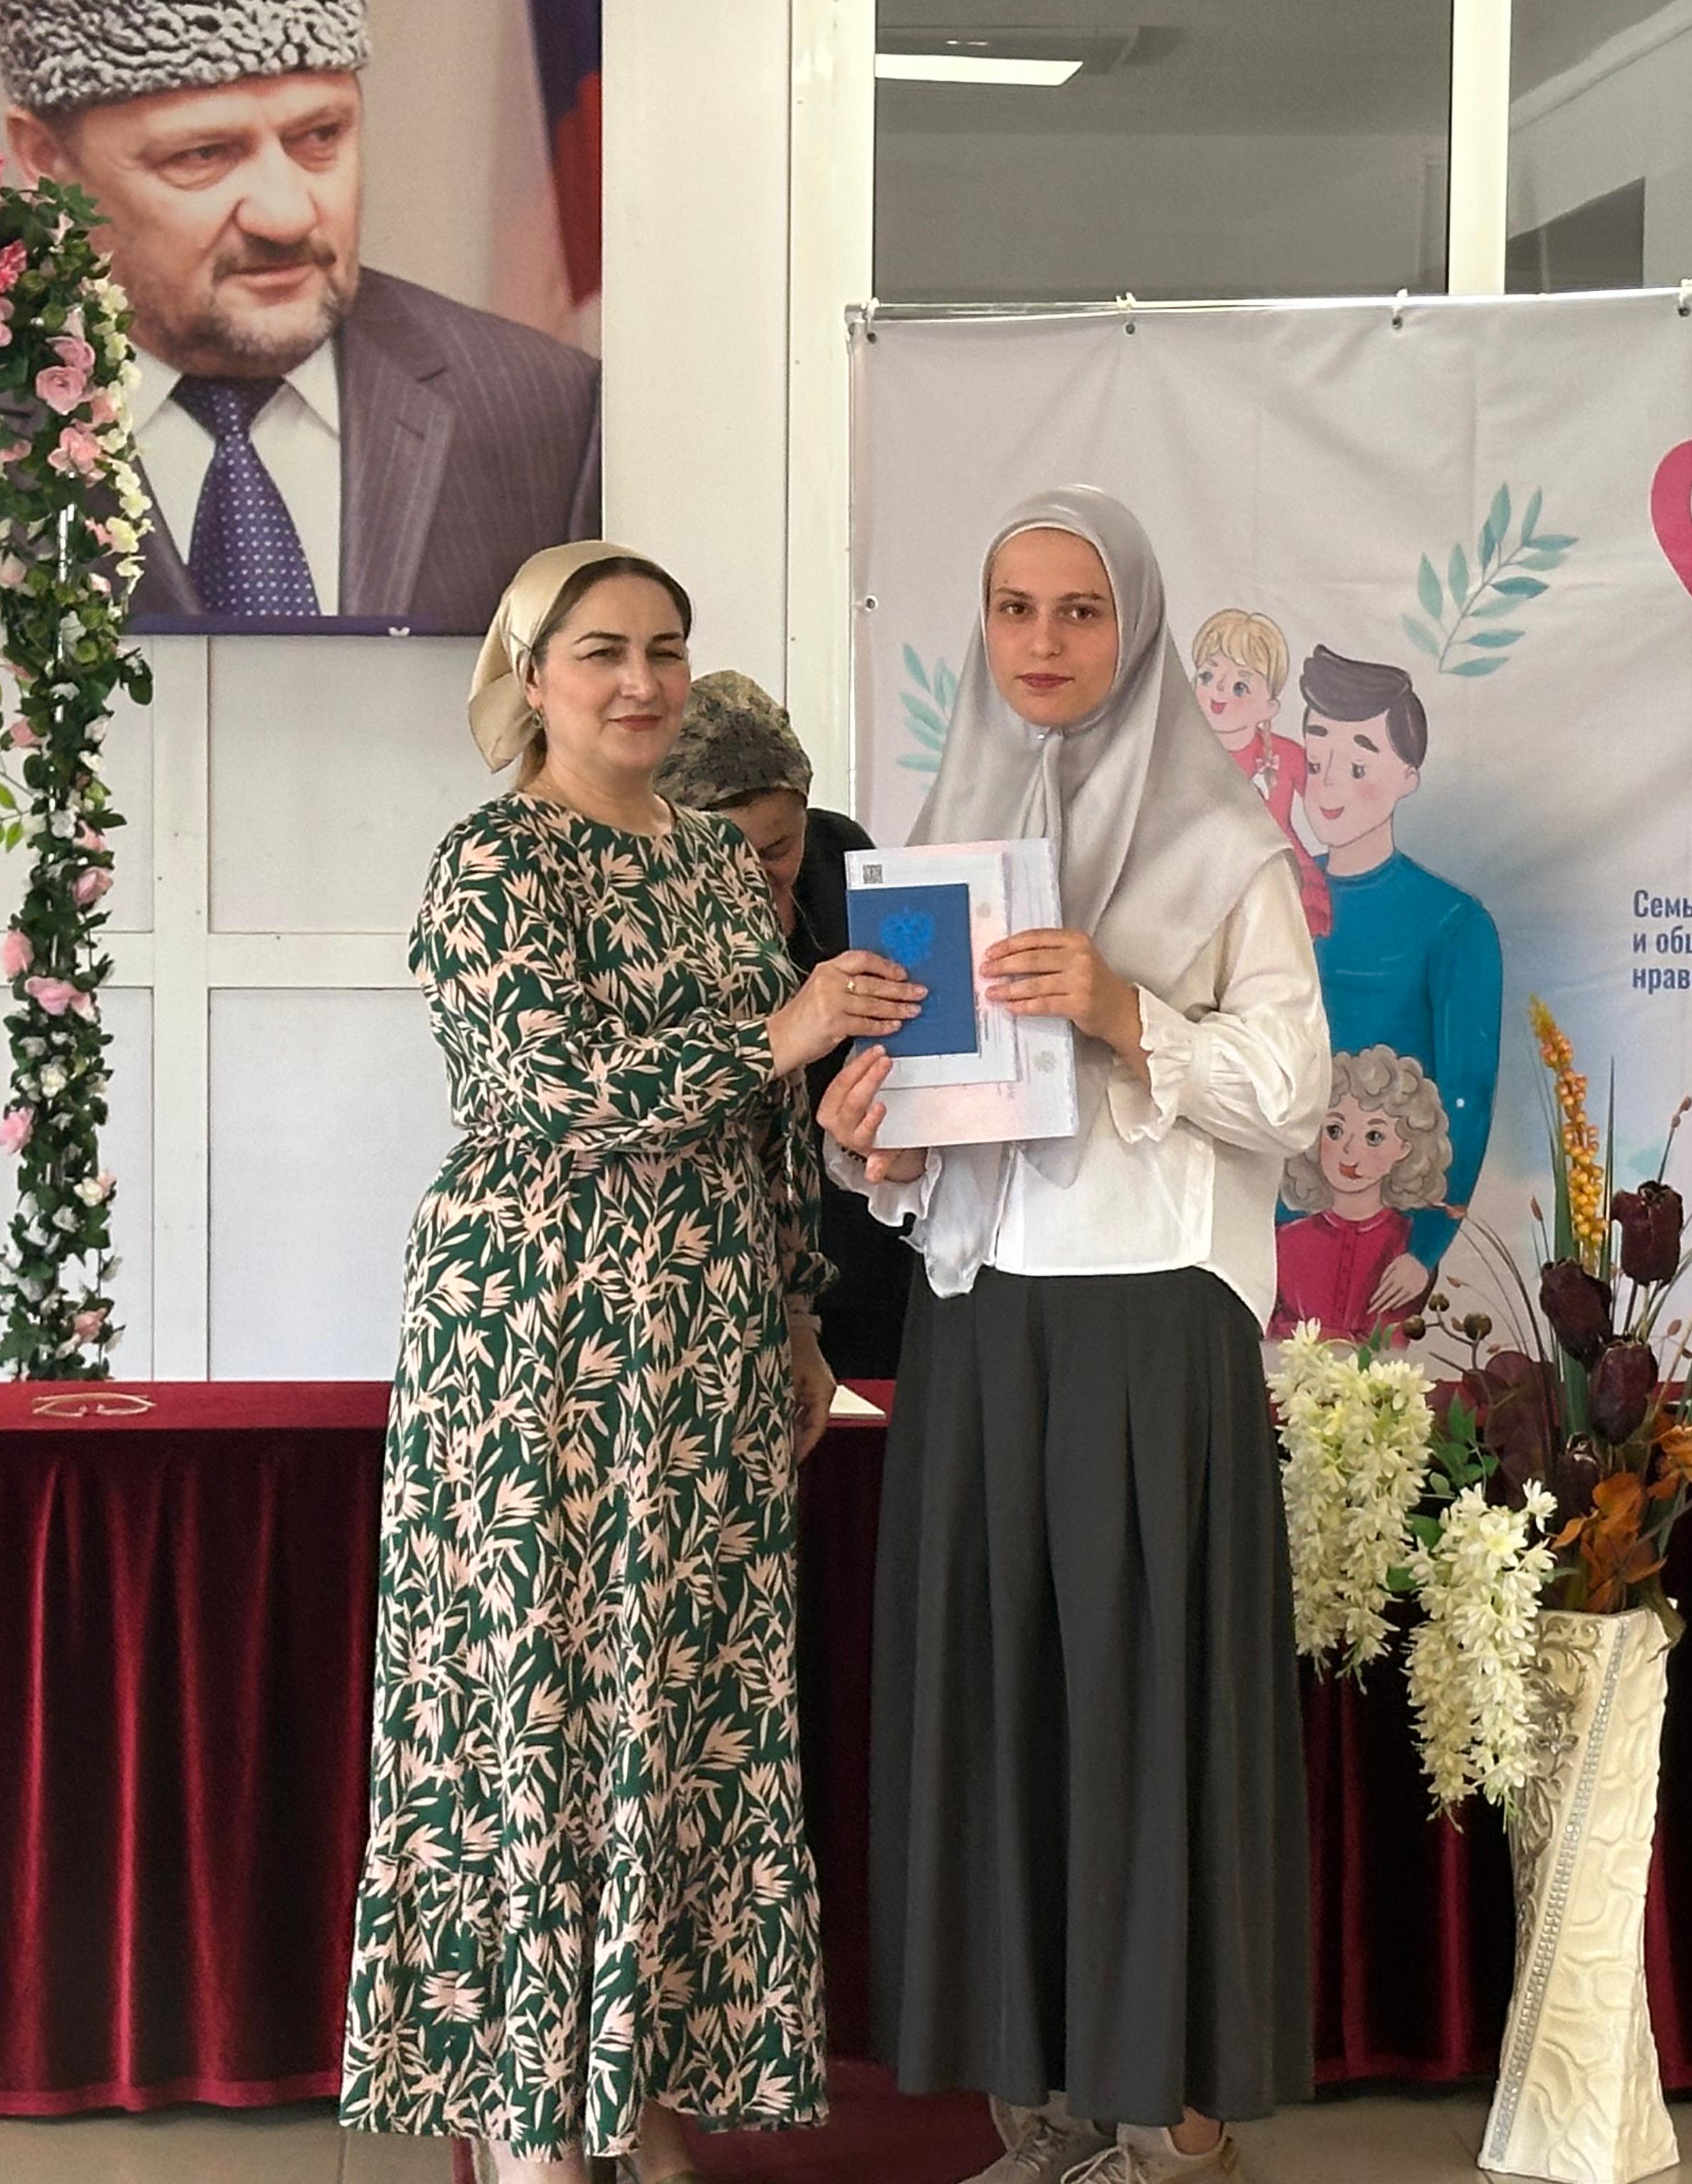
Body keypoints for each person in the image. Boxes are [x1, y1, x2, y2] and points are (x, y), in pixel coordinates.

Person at [338, 542, 924, 2181]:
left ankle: (636, 2086)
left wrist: (798, 1309)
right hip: (537, 1343)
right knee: (542, 1702)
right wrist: (785, 1029)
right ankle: (535, 2115)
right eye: (602, 651)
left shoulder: (715, 861)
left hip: (711, 1342)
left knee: (677, 1714)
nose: (643, 681)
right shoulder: (493, 860)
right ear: (532, 675)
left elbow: (768, 1126)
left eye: (665, 648)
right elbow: (556, 1089)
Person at [819, 488, 1327, 2181]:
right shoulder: (944, 842)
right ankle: (1038, 2110)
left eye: (1082, 611)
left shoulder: (1226, 853)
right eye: (1015, 609)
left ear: (1139, 630)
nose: (1043, 643)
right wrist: (874, 1147)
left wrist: (1121, 1008)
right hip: (981, 1329)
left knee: (1141, 1713)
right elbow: (926, 1142)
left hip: (1147, 1325)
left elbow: (1294, 1097)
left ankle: (1173, 2126)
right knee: (1001, 1711)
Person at [0, 0, 600, 628]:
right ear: (47, 160)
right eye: (203, 155)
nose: (286, 217)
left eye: (320, 137)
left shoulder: (547, 412)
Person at [654, 670, 921, 1380]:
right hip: (706, 1255)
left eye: (778, 850)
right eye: (727, 856)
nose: (756, 879)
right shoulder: (639, 918)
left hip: (856, 1236)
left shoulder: (841, 860)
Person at [1293, 645, 1501, 1297]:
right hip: (1267, 1221)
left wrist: (1426, 1246)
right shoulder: (1274, 899)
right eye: (1316, 762)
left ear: (1408, 775)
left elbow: (1468, 1091)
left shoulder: (1454, 923)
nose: (1328, 785)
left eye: (1357, 765)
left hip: (1389, 1233)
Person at [1269, 1045, 1453, 1341]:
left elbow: (1393, 1343)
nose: (1349, 1151)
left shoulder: (1409, 1252)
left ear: (1405, 1148)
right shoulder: (1284, 1242)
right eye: (1334, 1130)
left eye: (1374, 1136)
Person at [1189, 607, 1329, 938]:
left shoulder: (1287, 755)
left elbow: (1328, 811)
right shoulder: (1182, 754)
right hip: (1205, 883)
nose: (1218, 693)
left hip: (1280, 882)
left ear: (1270, 707)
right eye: (1207, 677)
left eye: (1240, 686)